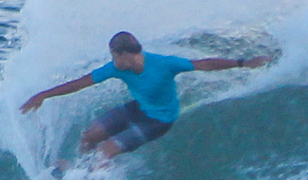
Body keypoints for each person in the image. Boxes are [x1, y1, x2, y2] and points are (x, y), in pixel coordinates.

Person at [20, 31, 271, 160]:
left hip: (159, 121)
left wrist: (243, 63)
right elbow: (82, 82)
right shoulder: (117, 68)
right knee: (89, 136)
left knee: (106, 151)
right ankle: (79, 173)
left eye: (114, 55)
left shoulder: (163, 64)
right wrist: (44, 95)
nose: (112, 60)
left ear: (126, 55)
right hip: (138, 108)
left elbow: (204, 64)